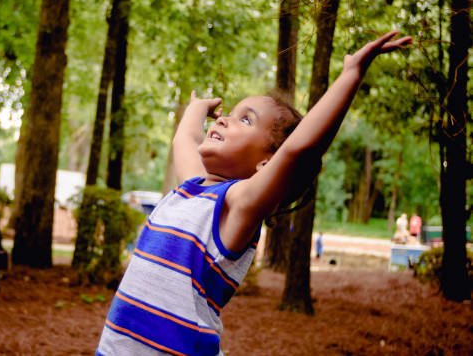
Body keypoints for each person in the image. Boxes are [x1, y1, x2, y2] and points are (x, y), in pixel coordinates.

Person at [96, 31, 412, 355]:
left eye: (245, 119)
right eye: (229, 113)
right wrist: (198, 107)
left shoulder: (235, 205)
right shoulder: (190, 189)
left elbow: (298, 151)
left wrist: (350, 75)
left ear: (266, 162)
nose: (225, 120)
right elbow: (184, 141)